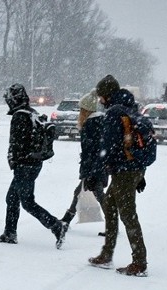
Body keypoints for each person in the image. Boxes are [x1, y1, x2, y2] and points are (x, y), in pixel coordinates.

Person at [87, 75, 150, 277]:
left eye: (101, 96)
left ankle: (139, 262)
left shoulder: (114, 113)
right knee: (110, 207)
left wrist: (95, 172)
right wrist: (140, 173)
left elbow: (107, 147)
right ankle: (106, 254)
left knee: (128, 215)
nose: (100, 100)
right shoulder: (131, 108)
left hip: (124, 170)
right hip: (133, 168)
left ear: (107, 95)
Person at [0, 83, 68, 249]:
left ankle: (56, 226)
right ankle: (10, 233)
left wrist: (13, 159)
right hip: (34, 163)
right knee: (12, 198)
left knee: (27, 202)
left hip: (25, 164)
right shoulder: (32, 113)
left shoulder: (20, 116)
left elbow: (17, 143)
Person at [60, 90, 107, 227]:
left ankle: (112, 223)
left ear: (86, 110)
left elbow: (90, 151)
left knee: (98, 194)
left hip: (93, 167)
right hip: (98, 166)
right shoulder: (99, 121)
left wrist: (90, 171)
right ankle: (67, 219)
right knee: (79, 191)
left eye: (81, 109)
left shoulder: (90, 124)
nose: (80, 112)